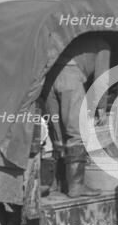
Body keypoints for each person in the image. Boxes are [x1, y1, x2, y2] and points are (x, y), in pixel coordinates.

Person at [43, 33, 110, 198]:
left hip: (49, 79)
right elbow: (102, 78)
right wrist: (101, 107)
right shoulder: (102, 44)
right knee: (76, 133)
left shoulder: (70, 35)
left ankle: (54, 184)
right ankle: (76, 187)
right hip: (70, 79)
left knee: (56, 134)